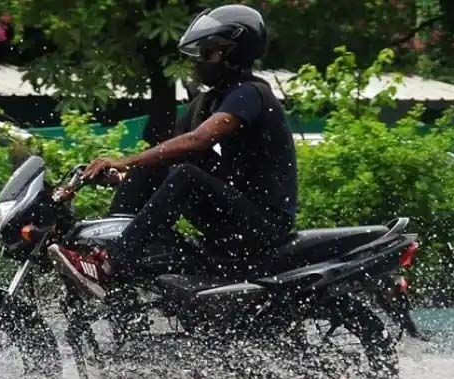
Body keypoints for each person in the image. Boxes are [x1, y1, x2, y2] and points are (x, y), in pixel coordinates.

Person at [49, 4, 298, 299]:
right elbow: (166, 153)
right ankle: (112, 259)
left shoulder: (252, 93)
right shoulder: (206, 102)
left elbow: (198, 140)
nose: (198, 62)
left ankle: (110, 265)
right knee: (154, 164)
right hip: (232, 212)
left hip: (263, 225)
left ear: (233, 53)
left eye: (207, 53)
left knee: (186, 176)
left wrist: (122, 159)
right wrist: (116, 174)